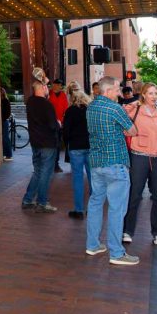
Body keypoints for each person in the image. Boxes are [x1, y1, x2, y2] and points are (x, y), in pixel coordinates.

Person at [84, 76, 139, 265]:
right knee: (117, 208)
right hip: (115, 163)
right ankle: (116, 253)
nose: (119, 92)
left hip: (96, 163)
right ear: (108, 91)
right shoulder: (115, 108)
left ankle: (92, 244)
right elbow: (133, 131)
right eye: (117, 89)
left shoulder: (90, 107)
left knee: (95, 203)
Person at [121, 82, 157, 246]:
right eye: (150, 93)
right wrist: (135, 102)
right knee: (134, 194)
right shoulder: (135, 110)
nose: (154, 96)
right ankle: (128, 230)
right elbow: (121, 112)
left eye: (155, 93)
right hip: (139, 157)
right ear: (143, 95)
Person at [21, 77, 59, 213]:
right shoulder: (46, 105)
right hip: (47, 143)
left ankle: (28, 199)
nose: (48, 89)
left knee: (37, 171)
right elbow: (52, 124)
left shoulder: (30, 102)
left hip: (35, 142)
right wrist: (58, 124)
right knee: (46, 174)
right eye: (46, 87)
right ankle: (42, 202)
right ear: (43, 88)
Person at [62, 82, 91, 219]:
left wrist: (66, 142)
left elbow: (66, 132)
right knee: (93, 179)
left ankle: (78, 210)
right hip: (90, 146)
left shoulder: (70, 111)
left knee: (78, 179)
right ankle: (93, 208)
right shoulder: (90, 110)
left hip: (75, 147)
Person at [49, 78, 68, 173]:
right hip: (49, 124)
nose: (61, 87)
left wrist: (63, 122)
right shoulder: (48, 94)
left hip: (59, 125)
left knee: (57, 145)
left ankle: (56, 165)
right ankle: (48, 164)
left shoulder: (63, 95)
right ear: (54, 85)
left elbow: (66, 109)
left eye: (61, 85)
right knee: (49, 145)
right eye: (59, 85)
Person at [0, 87, 12, 161]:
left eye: (0, 92)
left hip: (4, 122)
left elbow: (8, 113)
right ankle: (3, 154)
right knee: (2, 139)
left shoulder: (5, 101)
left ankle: (8, 154)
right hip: (0, 121)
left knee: (5, 138)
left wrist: (2, 118)